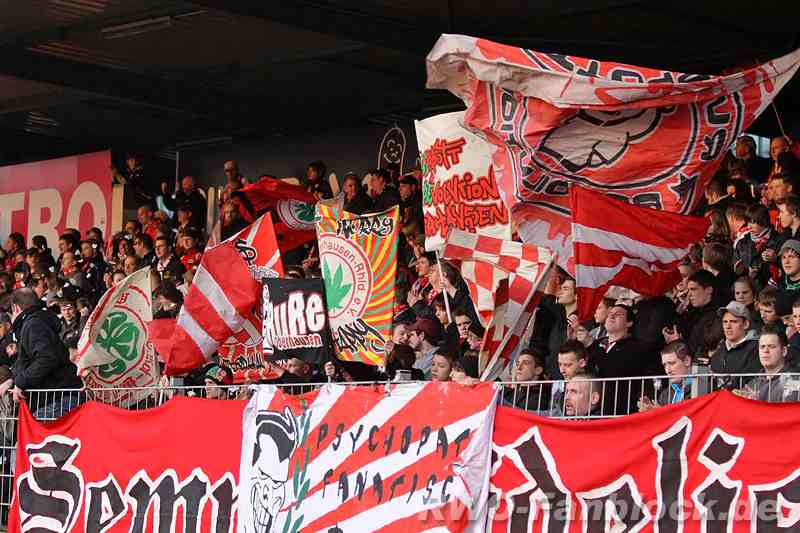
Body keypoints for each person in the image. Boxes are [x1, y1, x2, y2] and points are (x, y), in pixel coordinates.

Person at [0, 288, 82, 419]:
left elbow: (46, 358)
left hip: (56, 401)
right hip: (55, 400)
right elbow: (27, 361)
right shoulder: (36, 322)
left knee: (30, 438)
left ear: (15, 307)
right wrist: (12, 380)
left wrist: (21, 382)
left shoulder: (33, 324)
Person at [588, 304, 651, 414]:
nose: (611, 316)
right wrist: (573, 340)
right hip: (595, 411)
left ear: (629, 323)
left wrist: (590, 344)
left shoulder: (636, 347)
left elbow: (613, 369)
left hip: (622, 412)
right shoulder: (597, 344)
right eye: (610, 314)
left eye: (618, 314)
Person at [735, 324, 800, 402]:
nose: (765, 351)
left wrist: (756, 403)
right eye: (762, 347)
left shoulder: (795, 380)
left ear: (784, 351)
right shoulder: (753, 383)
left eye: (771, 346)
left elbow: (789, 410)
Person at [668, 270, 720, 360]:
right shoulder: (691, 313)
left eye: (693, 289)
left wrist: (677, 342)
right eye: (688, 290)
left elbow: (697, 348)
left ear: (709, 290)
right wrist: (680, 311)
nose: (689, 294)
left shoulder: (717, 315)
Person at [710, 301, 761, 386]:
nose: (728, 326)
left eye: (733, 321)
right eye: (725, 322)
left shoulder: (757, 348)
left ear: (746, 324)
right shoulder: (718, 352)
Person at [638, 341, 694, 412]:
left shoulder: (702, 388)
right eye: (665, 365)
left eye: (672, 363)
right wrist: (650, 414)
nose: (668, 370)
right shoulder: (665, 394)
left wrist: (661, 413)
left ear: (687, 361)